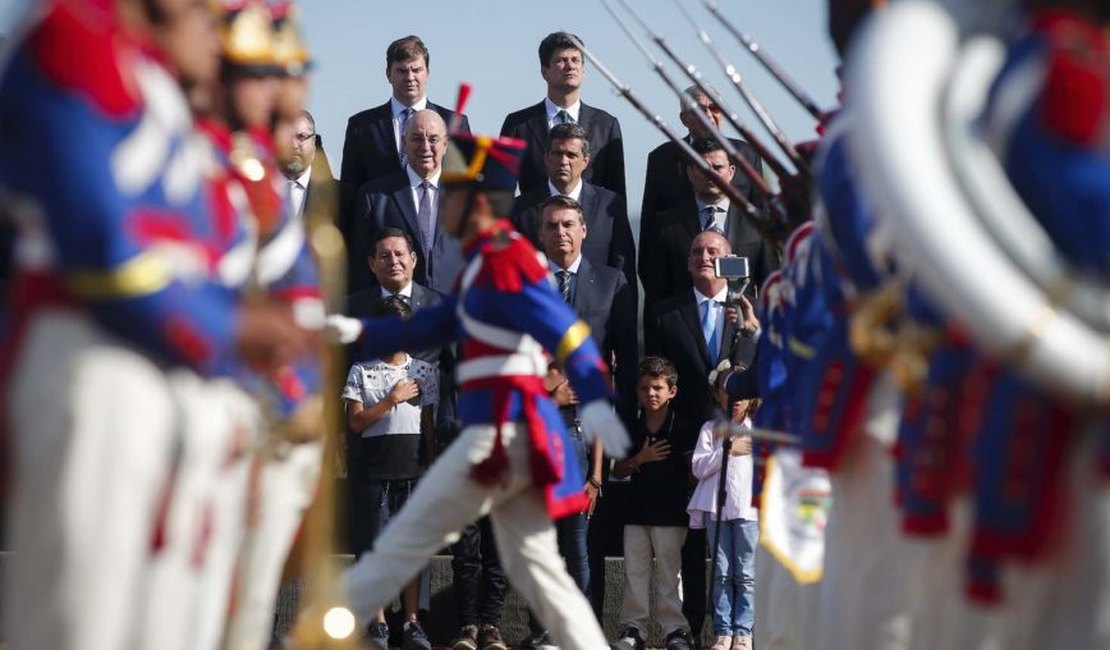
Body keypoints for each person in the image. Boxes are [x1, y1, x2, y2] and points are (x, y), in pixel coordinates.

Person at [0, 1, 308, 648]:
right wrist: (228, 338)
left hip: (169, 365)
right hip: (95, 357)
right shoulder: (76, 33)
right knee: (82, 622)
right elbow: (100, 243)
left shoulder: (143, 71)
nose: (214, 26)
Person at [329, 126, 629, 649]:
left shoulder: (507, 260)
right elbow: (433, 325)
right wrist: (356, 330)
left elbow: (570, 333)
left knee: (405, 538)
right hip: (509, 437)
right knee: (542, 573)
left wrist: (597, 402)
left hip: (499, 436)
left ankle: (315, 636)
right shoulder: (483, 262)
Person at [519, 195, 639, 649]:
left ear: (584, 230)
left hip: (588, 432)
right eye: (551, 225)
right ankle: (543, 630)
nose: (560, 233)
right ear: (541, 232)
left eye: (568, 224)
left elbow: (624, 359)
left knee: (581, 541)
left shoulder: (612, 282)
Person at [343, 295, 437, 650]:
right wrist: (390, 400)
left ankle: (412, 620)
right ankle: (378, 621)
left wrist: (430, 463)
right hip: (373, 468)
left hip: (411, 468)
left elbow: (427, 425)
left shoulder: (423, 371)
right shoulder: (362, 370)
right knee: (374, 546)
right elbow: (354, 421)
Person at [639, 85, 763, 313]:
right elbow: (649, 233)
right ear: (684, 119)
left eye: (714, 108)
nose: (708, 115)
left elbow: (760, 219)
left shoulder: (747, 155)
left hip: (738, 289)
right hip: (681, 291)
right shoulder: (663, 158)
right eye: (699, 110)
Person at [339, 35, 470, 242]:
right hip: (383, 247)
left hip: (438, 240)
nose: (410, 77)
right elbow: (351, 189)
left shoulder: (455, 123)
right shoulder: (362, 126)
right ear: (388, 74)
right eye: (401, 70)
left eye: (416, 70)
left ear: (427, 73)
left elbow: (464, 185)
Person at [609, 357, 699, 650]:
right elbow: (617, 469)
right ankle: (633, 630)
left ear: (672, 390)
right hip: (635, 512)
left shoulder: (683, 427)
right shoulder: (634, 427)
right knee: (634, 573)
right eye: (645, 388)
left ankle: (675, 631)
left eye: (658, 387)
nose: (651, 393)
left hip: (672, 514)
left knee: (669, 575)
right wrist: (640, 459)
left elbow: (693, 471)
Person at [640, 138, 776, 310]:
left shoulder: (756, 225)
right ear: (690, 172)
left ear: (731, 172)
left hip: (742, 327)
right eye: (703, 168)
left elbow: (771, 286)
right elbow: (655, 286)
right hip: (686, 330)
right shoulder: (666, 226)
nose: (711, 174)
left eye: (718, 167)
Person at [510, 122, 637, 294]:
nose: (563, 161)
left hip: (596, 313)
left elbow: (623, 264)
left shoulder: (610, 206)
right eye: (557, 153)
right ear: (546, 158)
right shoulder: (520, 210)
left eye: (571, 155)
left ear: (586, 161)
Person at [350, 109, 464, 296]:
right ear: (404, 143)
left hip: (454, 308)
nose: (425, 147)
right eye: (417, 138)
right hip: (396, 313)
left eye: (433, 139)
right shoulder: (375, 196)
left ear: (446, 145)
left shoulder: (467, 196)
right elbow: (361, 269)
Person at [500, 31, 625, 198]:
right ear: (545, 72)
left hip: (589, 222)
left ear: (583, 70)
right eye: (561, 60)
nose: (571, 66)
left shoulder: (606, 125)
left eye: (576, 60)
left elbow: (616, 193)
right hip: (533, 221)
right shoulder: (518, 124)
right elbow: (502, 190)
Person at [688, 386, 760, 650]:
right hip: (717, 510)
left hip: (748, 511)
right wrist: (727, 449)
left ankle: (743, 631)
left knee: (746, 575)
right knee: (720, 572)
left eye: (742, 395)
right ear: (719, 395)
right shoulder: (710, 428)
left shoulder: (758, 428)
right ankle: (723, 631)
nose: (736, 400)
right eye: (730, 393)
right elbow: (698, 467)